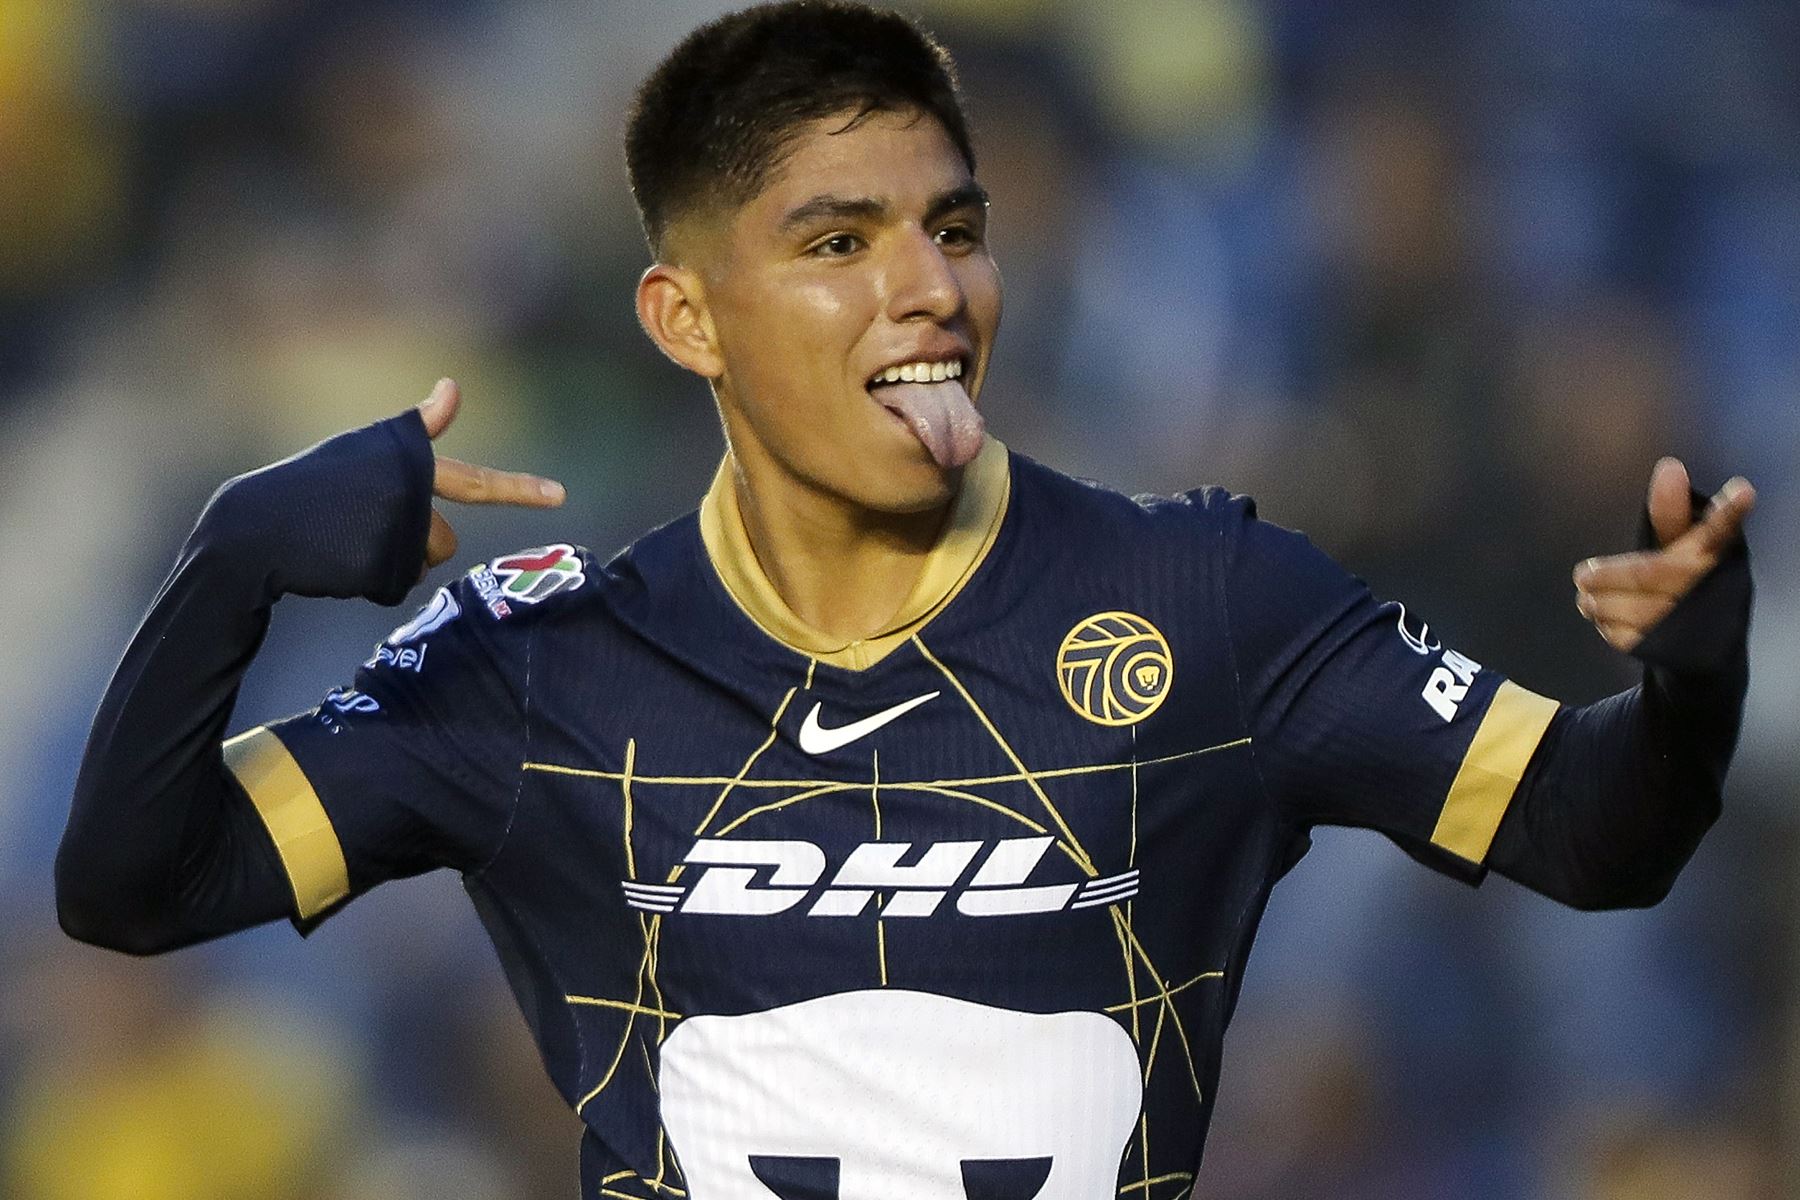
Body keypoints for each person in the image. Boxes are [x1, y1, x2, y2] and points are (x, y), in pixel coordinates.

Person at [58, 3, 1755, 1197]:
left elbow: (1602, 840)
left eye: (955, 228)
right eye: (837, 243)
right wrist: (231, 564)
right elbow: (138, 888)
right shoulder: (537, 659)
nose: (929, 289)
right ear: (685, 319)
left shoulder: (1207, 595)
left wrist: (1687, 685)